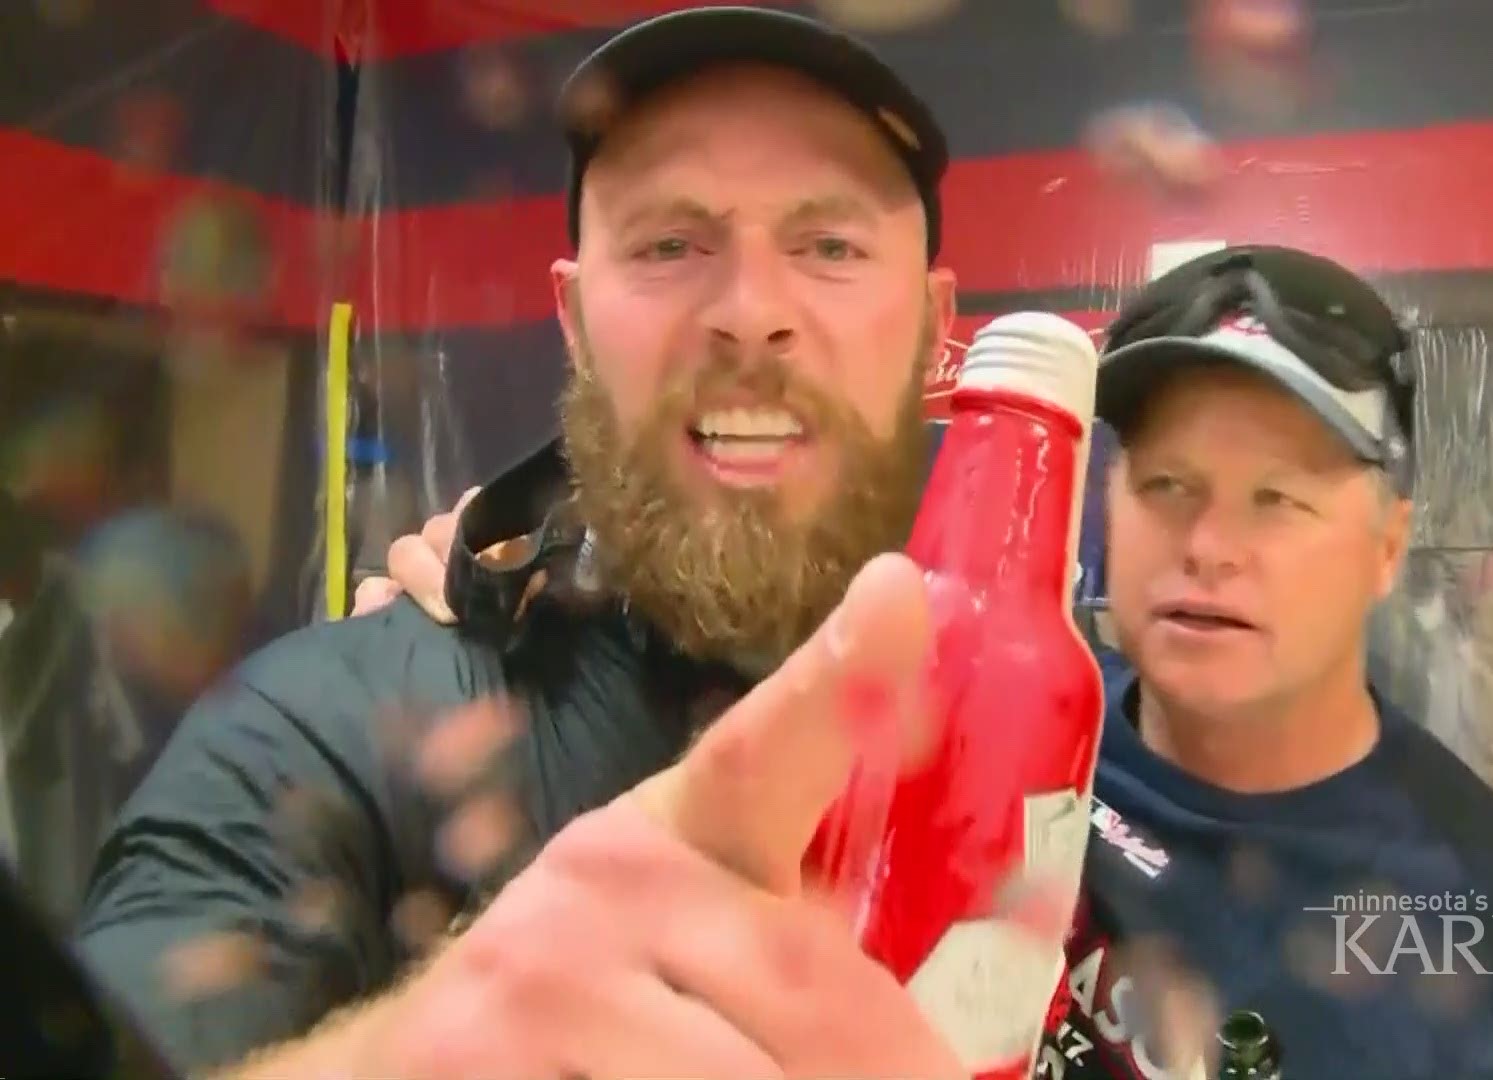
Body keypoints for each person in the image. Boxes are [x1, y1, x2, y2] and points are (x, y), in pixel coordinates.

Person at [366, 246, 1493, 1078]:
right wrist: (508, 617)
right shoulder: (982, 729)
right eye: (1165, 484)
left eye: (1279, 500)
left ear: (1388, 546)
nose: (1210, 545)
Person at [70, 8, 974, 1077]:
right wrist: (406, 1054)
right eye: (671, 244)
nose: (749, 311)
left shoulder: (1094, 742)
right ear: (578, 319)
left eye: (829, 246)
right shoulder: (334, 738)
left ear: (934, 329)